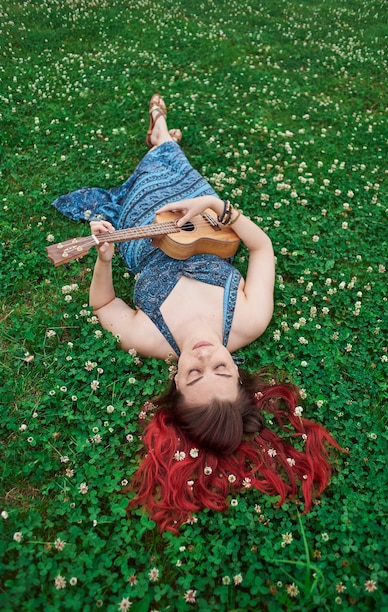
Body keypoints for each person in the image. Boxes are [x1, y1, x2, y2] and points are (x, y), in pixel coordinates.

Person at [53, 94, 342, 532]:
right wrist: (216, 206)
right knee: (174, 165)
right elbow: (261, 247)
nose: (206, 358)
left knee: (155, 169)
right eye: (222, 372)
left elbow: (105, 304)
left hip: (142, 231)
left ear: (174, 382)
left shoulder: (151, 339)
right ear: (240, 374)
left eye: (193, 375)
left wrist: (105, 258)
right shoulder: (248, 320)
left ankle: (160, 130)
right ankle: (161, 134)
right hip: (202, 213)